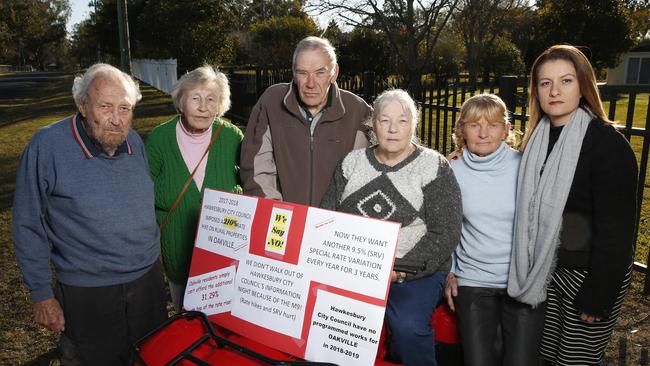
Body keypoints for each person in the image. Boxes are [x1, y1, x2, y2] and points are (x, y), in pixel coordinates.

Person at [12, 63, 167, 365]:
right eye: (105, 106)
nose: (116, 119)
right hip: (89, 292)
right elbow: (27, 223)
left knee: (151, 357)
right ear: (82, 105)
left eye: (125, 108)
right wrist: (41, 294)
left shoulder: (133, 140)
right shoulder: (47, 145)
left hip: (147, 283)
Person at [507, 45, 638, 366]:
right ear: (535, 90)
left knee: (574, 362)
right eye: (544, 83)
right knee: (546, 359)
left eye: (565, 81)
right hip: (547, 273)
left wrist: (599, 294)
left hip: (591, 276)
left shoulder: (607, 145)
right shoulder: (537, 140)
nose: (554, 91)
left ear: (583, 85)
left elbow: (617, 232)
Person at [321, 89, 462, 366]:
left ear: (414, 124)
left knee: (408, 325)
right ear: (373, 125)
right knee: (330, 323)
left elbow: (445, 232)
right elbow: (327, 217)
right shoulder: (352, 162)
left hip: (414, 274)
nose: (394, 129)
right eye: (385, 120)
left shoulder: (433, 166)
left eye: (403, 120)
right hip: (355, 269)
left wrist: (398, 270)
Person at [444, 94, 545, 366]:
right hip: (473, 279)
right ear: (462, 129)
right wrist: (450, 272)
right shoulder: (450, 169)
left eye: (492, 125)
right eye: (474, 125)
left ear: (506, 129)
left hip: (521, 279)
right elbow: (446, 226)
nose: (484, 133)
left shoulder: (525, 166)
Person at [146, 65, 243, 312]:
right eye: (195, 98)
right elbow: (143, 190)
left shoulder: (232, 137)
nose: (203, 107)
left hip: (224, 246)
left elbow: (248, 184)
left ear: (220, 104)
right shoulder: (159, 139)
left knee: (225, 313)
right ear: (181, 101)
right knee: (184, 311)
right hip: (177, 243)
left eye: (211, 99)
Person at [240, 36, 372, 207]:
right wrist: (277, 212)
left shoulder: (357, 110)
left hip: (337, 224)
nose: (311, 83)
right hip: (282, 220)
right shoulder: (271, 102)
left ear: (335, 73)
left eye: (320, 73)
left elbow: (367, 173)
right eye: (302, 73)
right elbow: (256, 169)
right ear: (294, 74)